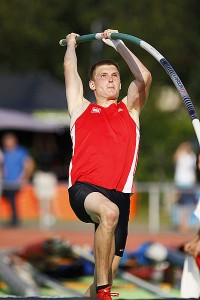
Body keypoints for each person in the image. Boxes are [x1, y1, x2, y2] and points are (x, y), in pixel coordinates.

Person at [63, 29, 152, 299]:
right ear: (92, 85)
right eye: (103, 76)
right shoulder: (80, 108)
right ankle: (103, 293)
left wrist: (118, 45)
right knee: (108, 213)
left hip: (120, 196)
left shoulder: (130, 110)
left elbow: (144, 77)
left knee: (106, 273)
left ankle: (97, 292)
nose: (110, 80)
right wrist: (71, 44)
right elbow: (69, 66)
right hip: (84, 190)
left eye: (115, 76)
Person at [1, 133, 35, 227]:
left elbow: (29, 164)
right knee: (8, 200)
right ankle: (13, 219)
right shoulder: (4, 152)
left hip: (15, 182)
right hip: (5, 181)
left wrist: (24, 178)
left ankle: (15, 220)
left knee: (12, 200)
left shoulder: (21, 151)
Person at [172, 141, 197, 231]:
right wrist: (181, 147)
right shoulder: (181, 155)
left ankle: (186, 223)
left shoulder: (192, 156)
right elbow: (175, 159)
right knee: (181, 204)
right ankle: (181, 223)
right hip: (181, 182)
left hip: (190, 182)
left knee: (191, 204)